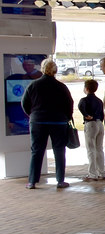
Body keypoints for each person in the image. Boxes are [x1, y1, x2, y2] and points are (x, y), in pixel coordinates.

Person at [20, 58, 74, 189]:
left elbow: (24, 103)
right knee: (59, 151)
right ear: (55, 70)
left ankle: (32, 181)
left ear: (42, 69)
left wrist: (33, 115)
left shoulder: (33, 85)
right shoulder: (61, 87)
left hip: (38, 121)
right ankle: (60, 180)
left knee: (37, 151)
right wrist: (66, 117)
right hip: (58, 122)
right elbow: (69, 104)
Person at [78, 78, 105, 181]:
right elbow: (102, 113)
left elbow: (81, 107)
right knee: (99, 149)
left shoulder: (84, 100)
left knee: (91, 149)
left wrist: (86, 115)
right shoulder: (99, 100)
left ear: (86, 89)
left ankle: (92, 173)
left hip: (91, 124)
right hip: (100, 124)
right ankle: (102, 172)